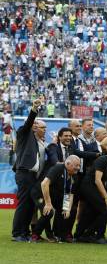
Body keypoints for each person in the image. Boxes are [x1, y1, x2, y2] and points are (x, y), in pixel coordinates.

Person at [76, 141, 107, 243]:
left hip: (96, 187)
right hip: (89, 186)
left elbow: (106, 179)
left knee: (91, 211)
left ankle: (79, 234)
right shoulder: (102, 159)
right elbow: (97, 180)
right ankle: (87, 234)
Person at [12, 98, 46, 241]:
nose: (36, 125)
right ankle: (17, 233)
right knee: (23, 203)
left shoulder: (35, 140)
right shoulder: (23, 132)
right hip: (24, 172)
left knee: (30, 204)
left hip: (32, 175)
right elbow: (28, 123)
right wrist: (34, 110)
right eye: (35, 124)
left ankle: (24, 232)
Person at [29, 155, 81, 242]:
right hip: (40, 193)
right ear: (67, 164)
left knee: (66, 210)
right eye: (76, 165)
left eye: (79, 165)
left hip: (55, 196)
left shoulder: (74, 175)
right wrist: (48, 203)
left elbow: (70, 194)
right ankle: (35, 235)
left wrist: (67, 209)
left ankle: (60, 235)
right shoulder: (58, 168)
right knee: (48, 212)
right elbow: (44, 184)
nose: (78, 168)